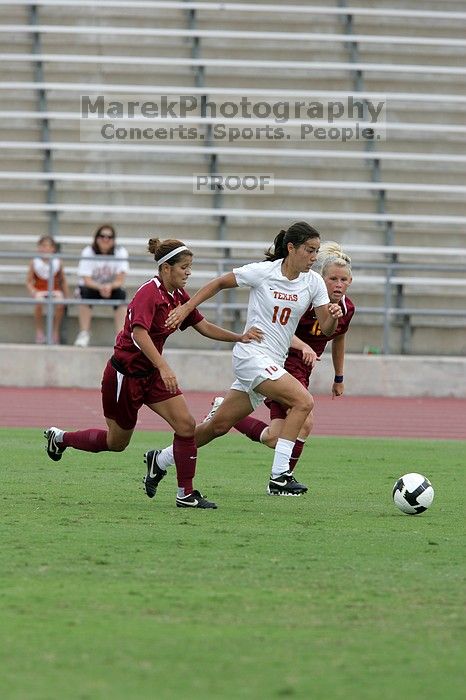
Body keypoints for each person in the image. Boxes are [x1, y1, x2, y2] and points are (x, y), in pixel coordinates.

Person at [44, 238, 262, 509]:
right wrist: (163, 365)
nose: (188, 272)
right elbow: (138, 334)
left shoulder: (178, 296)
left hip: (151, 374)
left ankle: (185, 493)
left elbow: (202, 325)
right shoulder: (149, 293)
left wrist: (239, 337)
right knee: (116, 443)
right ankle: (60, 438)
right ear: (166, 268)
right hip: (125, 376)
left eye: (190, 267)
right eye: (184, 267)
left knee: (186, 425)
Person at [143, 221, 343, 500]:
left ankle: (160, 460)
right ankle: (279, 476)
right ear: (291, 248)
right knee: (303, 402)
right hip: (251, 356)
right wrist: (188, 306)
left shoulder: (313, 283)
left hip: (273, 361)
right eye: (310, 250)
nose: (314, 257)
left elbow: (327, 327)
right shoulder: (263, 272)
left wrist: (333, 315)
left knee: (217, 427)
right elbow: (219, 283)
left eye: (316, 251)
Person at [213, 242, 355, 487]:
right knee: (306, 417)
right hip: (283, 363)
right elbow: (281, 329)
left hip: (303, 370)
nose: (338, 284)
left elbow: (338, 336)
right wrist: (304, 346)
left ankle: (225, 414)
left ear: (350, 282)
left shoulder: (346, 308)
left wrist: (339, 376)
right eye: (333, 278)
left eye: (344, 279)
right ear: (321, 279)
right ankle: (280, 480)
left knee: (274, 437)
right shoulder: (308, 296)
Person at [74, 224, 129, 347]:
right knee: (83, 293)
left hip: (112, 288)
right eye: (102, 236)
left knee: (121, 295)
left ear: (114, 239)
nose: (105, 239)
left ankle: (121, 336)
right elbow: (86, 279)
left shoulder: (120, 252)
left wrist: (109, 286)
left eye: (109, 237)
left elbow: (120, 279)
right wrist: (101, 287)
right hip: (92, 287)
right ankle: (84, 333)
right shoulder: (88, 251)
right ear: (96, 238)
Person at [26, 235, 69, 344]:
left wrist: (66, 295)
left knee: (60, 303)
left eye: (48, 246)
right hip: (40, 289)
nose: (45, 249)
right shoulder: (34, 262)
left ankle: (55, 332)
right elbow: (29, 281)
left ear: (53, 249)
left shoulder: (57, 262)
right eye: (42, 246)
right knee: (39, 302)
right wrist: (32, 290)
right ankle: (39, 331)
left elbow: (63, 280)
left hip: (54, 290)